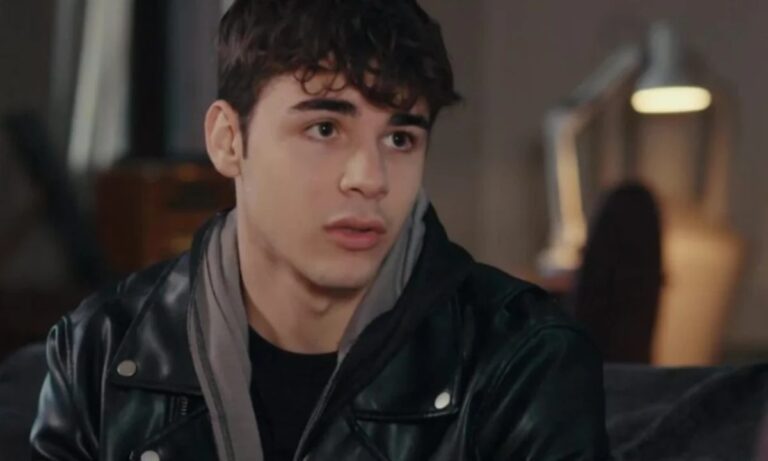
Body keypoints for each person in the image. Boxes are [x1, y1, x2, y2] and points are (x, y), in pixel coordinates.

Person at [30, 1, 609, 459]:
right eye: (326, 129)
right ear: (228, 141)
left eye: (400, 138)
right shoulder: (97, 352)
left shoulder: (523, 361)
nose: (370, 178)